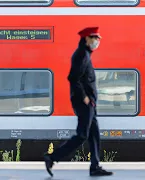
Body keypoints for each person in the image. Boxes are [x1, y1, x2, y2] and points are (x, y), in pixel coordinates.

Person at [43, 27, 113, 177]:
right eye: (94, 38)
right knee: (82, 135)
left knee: (94, 135)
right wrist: (84, 97)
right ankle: (52, 157)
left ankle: (95, 166)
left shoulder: (85, 54)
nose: (97, 41)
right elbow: (73, 78)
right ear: (86, 39)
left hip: (89, 103)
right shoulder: (82, 55)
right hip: (84, 102)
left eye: (98, 38)